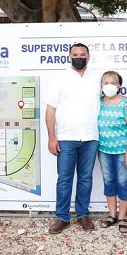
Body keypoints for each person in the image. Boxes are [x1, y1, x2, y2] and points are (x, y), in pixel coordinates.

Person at [45, 43, 101, 234]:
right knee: (64, 179)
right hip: (66, 137)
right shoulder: (60, 79)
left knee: (86, 178)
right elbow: (50, 110)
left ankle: (83, 214)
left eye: (82, 54)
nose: (79, 57)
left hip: (90, 137)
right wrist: (52, 137)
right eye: (75, 54)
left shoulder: (96, 79)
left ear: (88, 57)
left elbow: (110, 100)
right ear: (69, 57)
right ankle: (62, 217)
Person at [96, 71, 127, 235]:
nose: (109, 85)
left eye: (113, 82)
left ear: (119, 85)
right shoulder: (98, 103)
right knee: (109, 181)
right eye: (105, 82)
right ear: (101, 85)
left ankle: (122, 217)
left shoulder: (126, 103)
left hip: (123, 152)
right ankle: (112, 215)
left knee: (123, 182)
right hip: (104, 150)